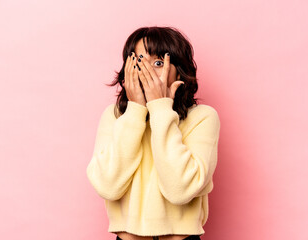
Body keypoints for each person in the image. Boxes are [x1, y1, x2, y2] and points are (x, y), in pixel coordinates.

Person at [86, 26, 221, 240]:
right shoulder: (114, 116)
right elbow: (107, 186)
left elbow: (181, 190)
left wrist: (160, 107)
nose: (147, 72)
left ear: (179, 69)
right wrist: (135, 111)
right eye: (138, 62)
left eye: (158, 63)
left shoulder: (203, 117)